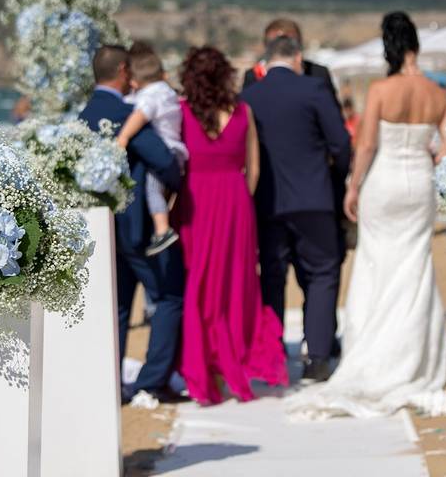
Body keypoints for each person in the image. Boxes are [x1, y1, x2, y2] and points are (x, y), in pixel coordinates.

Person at [287, 12, 446, 419]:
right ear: (415, 45)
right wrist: (431, 163)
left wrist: (352, 185)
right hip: (420, 184)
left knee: (377, 263)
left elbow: (364, 146)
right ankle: (411, 356)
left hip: (383, 185)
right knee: (415, 265)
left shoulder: (382, 90)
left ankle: (374, 349)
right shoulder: (438, 93)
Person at [174, 46, 288, 404]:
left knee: (200, 282)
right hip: (236, 201)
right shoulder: (243, 111)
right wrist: (239, 198)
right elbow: (252, 170)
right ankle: (231, 361)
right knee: (237, 283)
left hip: (197, 200)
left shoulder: (181, 113)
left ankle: (206, 367)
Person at [240, 35, 351, 382]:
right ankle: (317, 357)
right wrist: (338, 178)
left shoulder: (248, 97)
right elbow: (340, 142)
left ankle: (271, 358)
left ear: (266, 60)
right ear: (298, 59)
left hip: (266, 202)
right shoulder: (313, 90)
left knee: (271, 276)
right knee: (322, 273)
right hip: (314, 198)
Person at [78, 45, 184, 404]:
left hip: (99, 229)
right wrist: (176, 178)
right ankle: (152, 381)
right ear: (124, 70)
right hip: (138, 225)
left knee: (118, 306)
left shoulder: (79, 119)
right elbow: (162, 159)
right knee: (169, 296)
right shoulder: (129, 114)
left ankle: (110, 381)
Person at [116, 42, 189, 255]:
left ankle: (162, 229)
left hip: (165, 151)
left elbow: (140, 115)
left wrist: (123, 137)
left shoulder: (150, 95)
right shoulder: (166, 91)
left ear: (135, 81)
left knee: (152, 189)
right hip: (176, 151)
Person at [243, 18, 339, 106]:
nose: (282, 48)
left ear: (299, 45)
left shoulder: (318, 73)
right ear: (266, 46)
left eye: (289, 44)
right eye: (275, 44)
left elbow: (332, 110)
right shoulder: (254, 75)